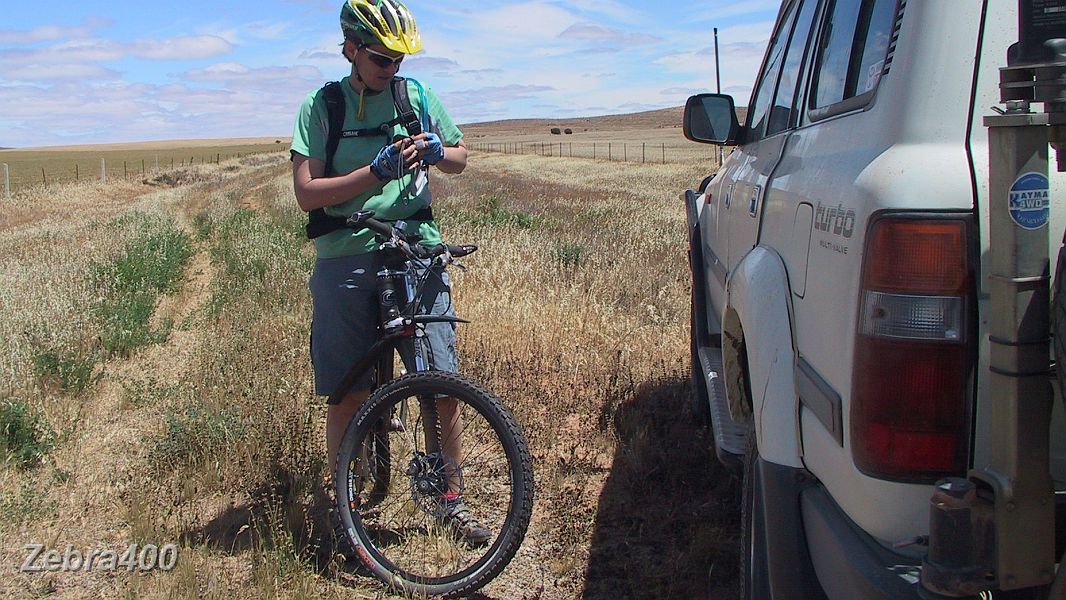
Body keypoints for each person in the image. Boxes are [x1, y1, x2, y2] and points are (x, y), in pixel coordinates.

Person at [290, 0, 489, 545]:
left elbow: (461, 157)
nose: (393, 68)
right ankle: (345, 502)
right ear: (351, 50)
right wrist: (372, 174)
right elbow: (308, 193)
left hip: (416, 247)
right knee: (349, 392)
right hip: (347, 252)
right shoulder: (322, 106)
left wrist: (436, 151)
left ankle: (449, 499)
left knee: (442, 385)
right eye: (382, 58)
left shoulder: (415, 96)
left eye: (400, 59)